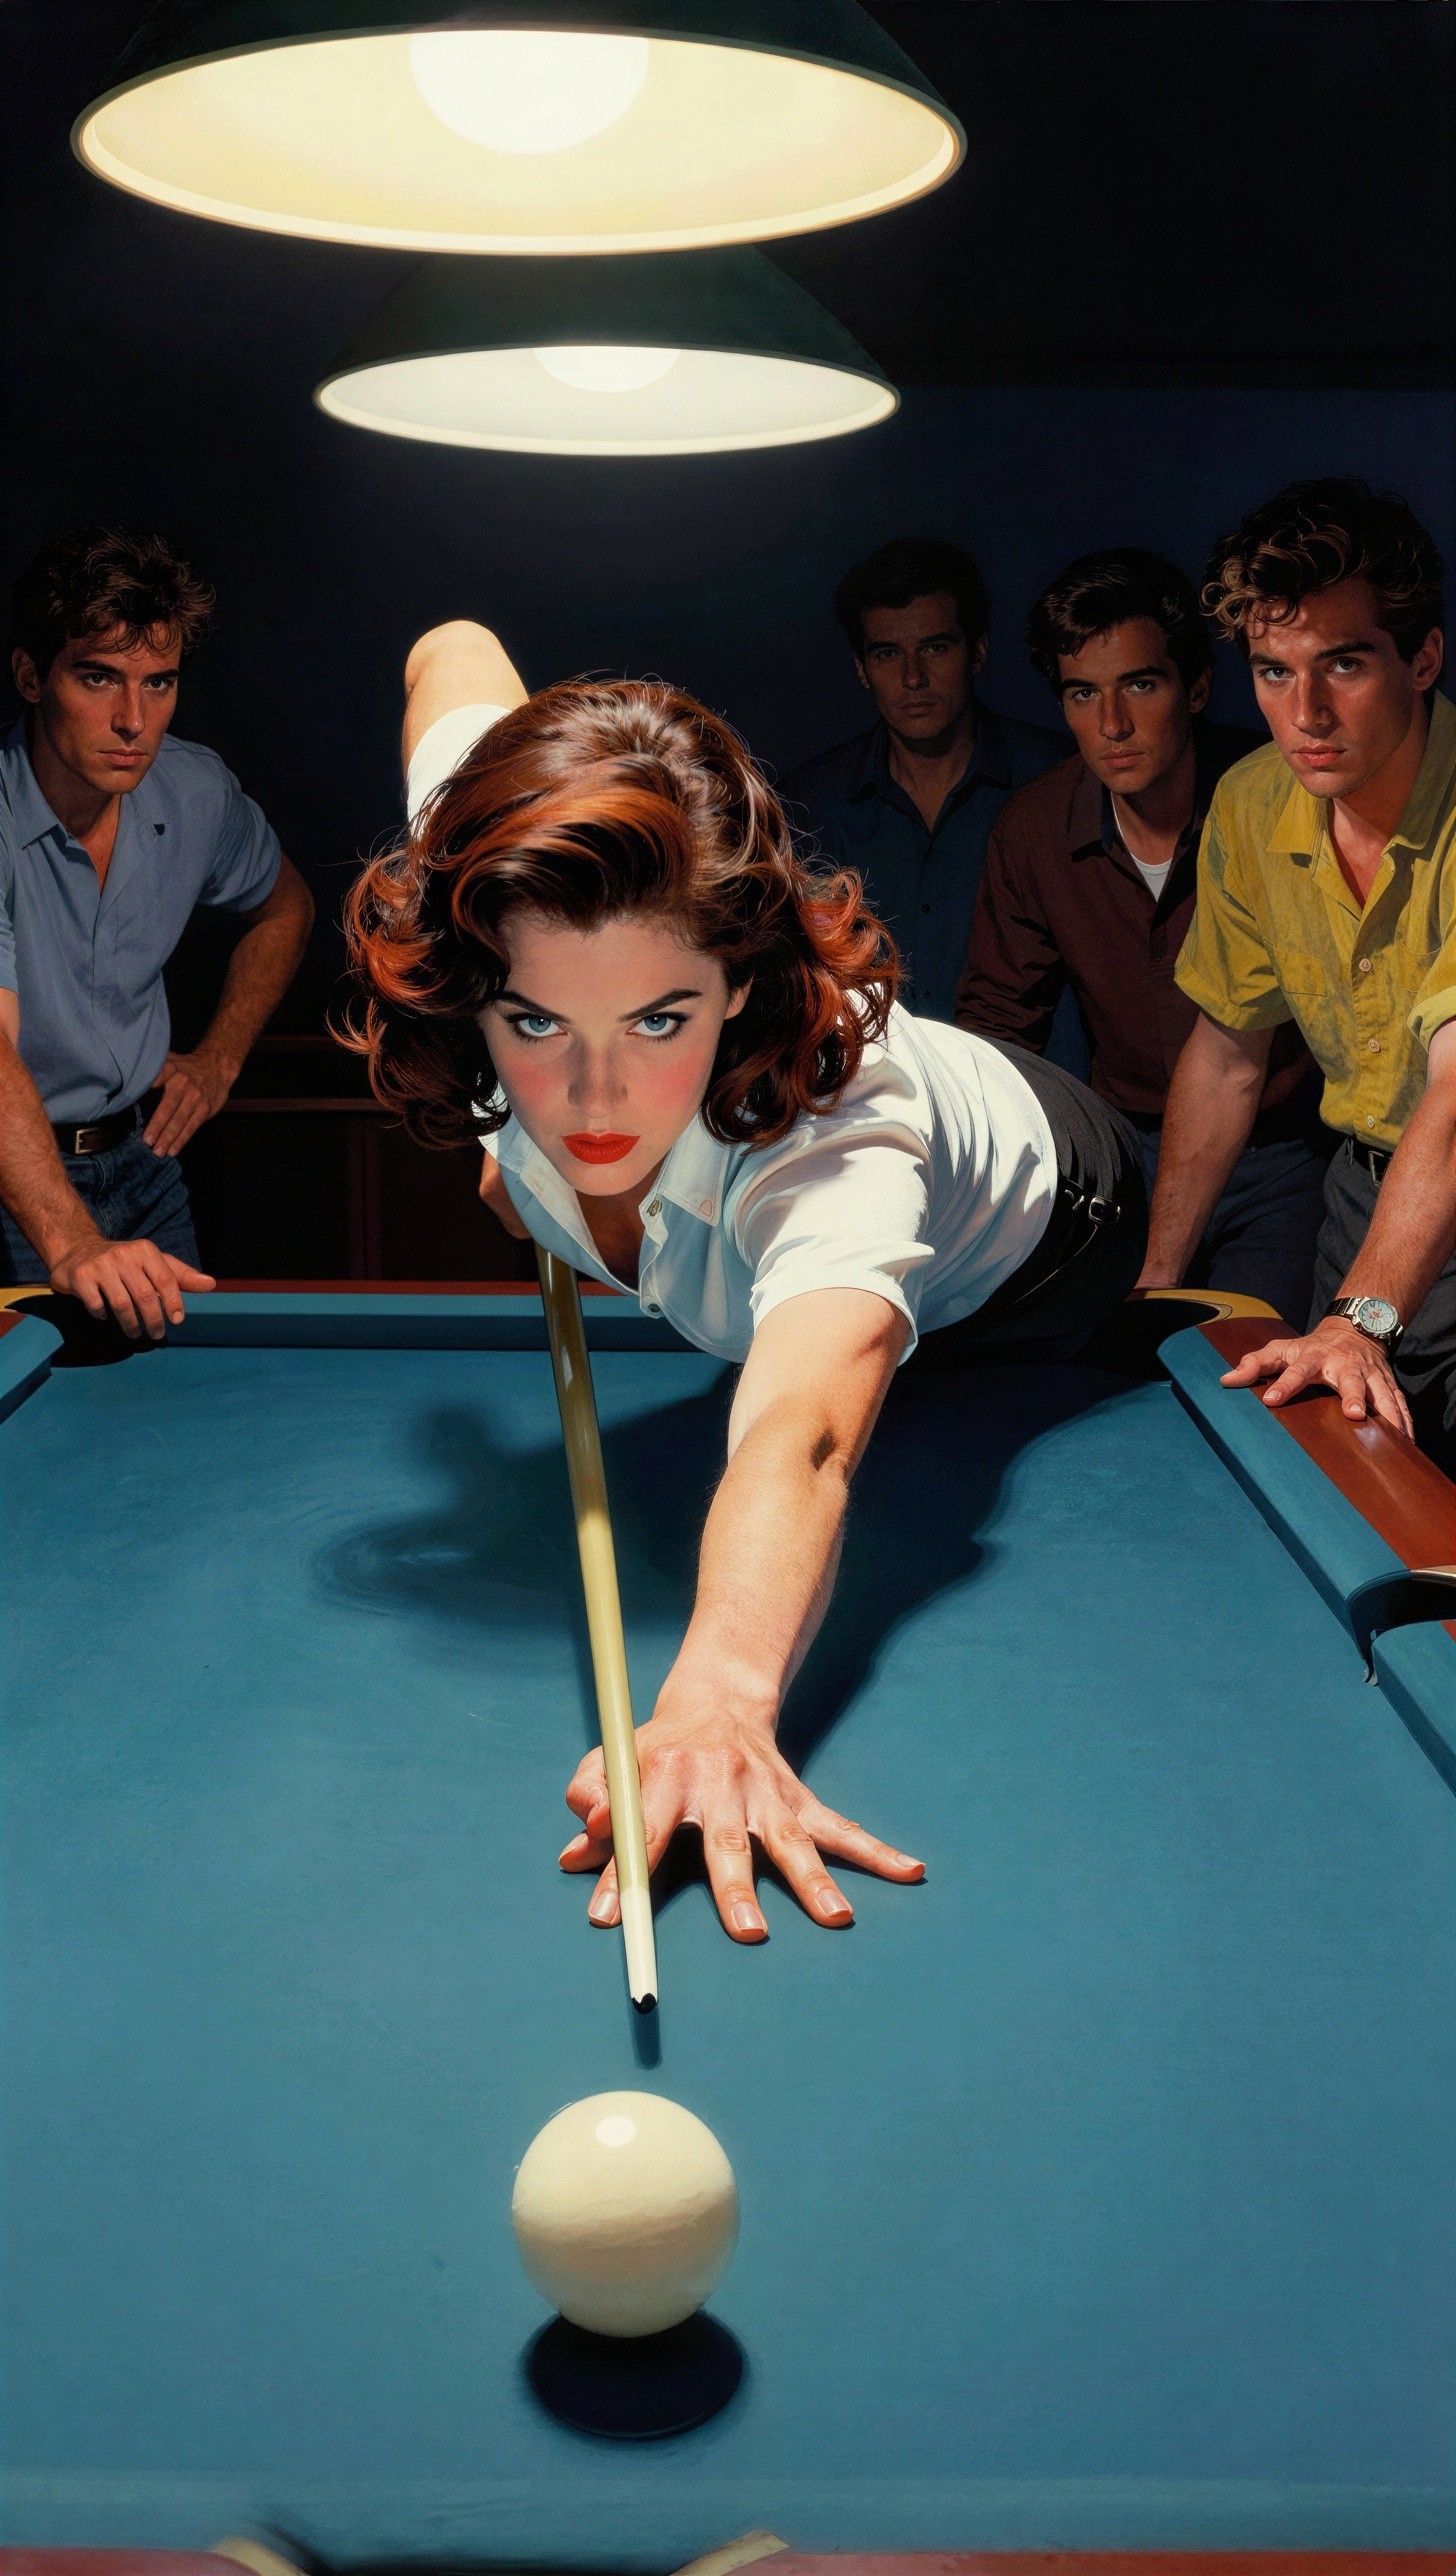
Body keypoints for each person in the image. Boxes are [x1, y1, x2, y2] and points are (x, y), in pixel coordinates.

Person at [346, 619, 1149, 1944]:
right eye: (539, 1021)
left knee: (884, 1377)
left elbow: (805, 1433)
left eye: (660, 1018)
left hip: (1050, 1237)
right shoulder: (490, 871)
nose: (597, 1099)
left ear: (739, 987)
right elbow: (451, 646)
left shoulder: (838, 1122)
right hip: (837, 1264)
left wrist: (718, 1691)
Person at [1136, 478, 1456, 1463]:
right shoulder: (1249, 804)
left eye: (1343, 665)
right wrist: (1153, 1283)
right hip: (1366, 1202)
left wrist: (1357, 1320)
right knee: (1365, 1499)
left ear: (1424, 658)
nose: (1304, 711)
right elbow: (1228, 1054)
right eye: (1272, 673)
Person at [956, 547, 1331, 1324]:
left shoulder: (1280, 796)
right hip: (1121, 1157)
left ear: (1194, 687)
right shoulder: (1034, 830)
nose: (1112, 724)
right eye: (1083, 694)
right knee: (1094, 1370)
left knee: (1252, 1366)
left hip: (1284, 1154)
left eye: (1140, 684)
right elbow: (998, 1034)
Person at [0, 526, 314, 1340]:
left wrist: (220, 1059)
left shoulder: (193, 788)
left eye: (159, 682)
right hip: (13, 1189)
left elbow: (286, 909)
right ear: (33, 676)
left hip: (147, 1169)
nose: (133, 719)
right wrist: (70, 1240)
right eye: (98, 677)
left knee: (181, 1416)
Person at [780, 537, 1064, 1021]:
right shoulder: (809, 806)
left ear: (977, 653)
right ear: (862, 669)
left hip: (1030, 1084)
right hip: (867, 1086)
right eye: (888, 654)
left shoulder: (1059, 782)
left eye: (935, 647)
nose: (913, 678)